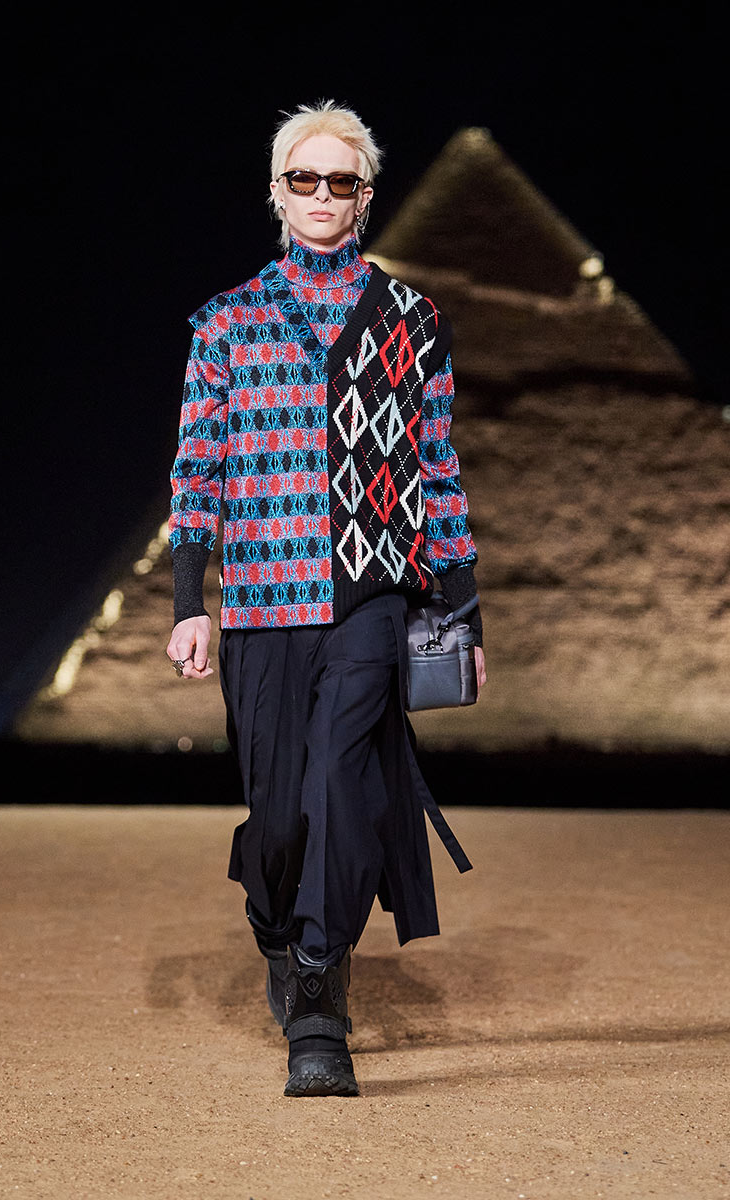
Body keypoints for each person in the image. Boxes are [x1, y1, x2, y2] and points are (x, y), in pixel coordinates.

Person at [166, 101, 486, 1098]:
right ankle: (275, 924)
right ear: (276, 192)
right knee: (278, 821)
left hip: (369, 596)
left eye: (338, 180)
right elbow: (195, 471)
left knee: (344, 785)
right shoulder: (225, 322)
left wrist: (461, 611)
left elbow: (437, 469)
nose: (319, 195)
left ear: (364, 197)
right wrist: (187, 601)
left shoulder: (412, 320)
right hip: (263, 600)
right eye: (301, 178)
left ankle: (317, 987)